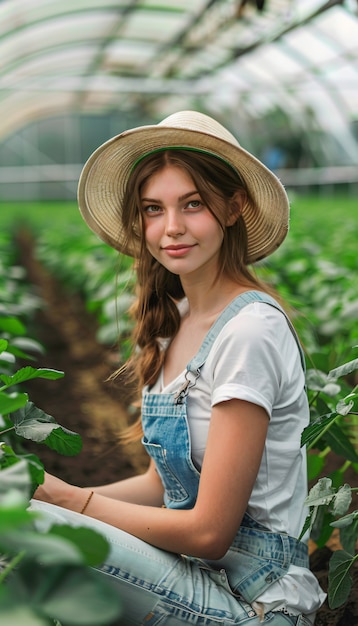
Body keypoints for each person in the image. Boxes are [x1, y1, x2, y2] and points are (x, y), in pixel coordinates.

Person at [31, 111, 326, 625]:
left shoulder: (249, 331)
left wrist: (67, 500)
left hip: (254, 604)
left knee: (20, 530)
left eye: (193, 204)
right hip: (195, 575)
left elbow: (210, 531)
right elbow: (157, 485)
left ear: (233, 208)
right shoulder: (179, 322)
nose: (171, 228)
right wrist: (43, 489)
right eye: (153, 209)